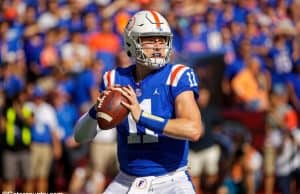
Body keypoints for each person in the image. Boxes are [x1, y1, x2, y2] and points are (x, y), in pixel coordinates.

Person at [74, 10, 203, 194]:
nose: (158, 46)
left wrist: (142, 117)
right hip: (126, 180)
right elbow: (80, 136)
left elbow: (194, 129)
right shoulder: (114, 79)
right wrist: (96, 110)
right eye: (150, 39)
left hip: (171, 179)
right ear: (131, 42)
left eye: (162, 39)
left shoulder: (177, 75)